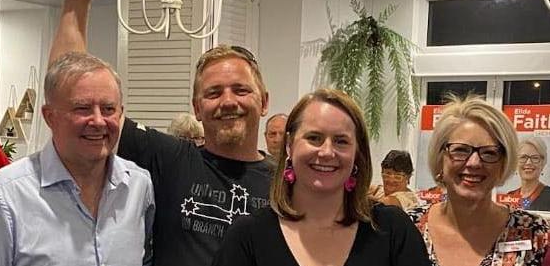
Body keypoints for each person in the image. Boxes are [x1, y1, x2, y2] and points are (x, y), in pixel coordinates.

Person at [50, 0, 272, 266]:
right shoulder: (170, 161)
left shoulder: (287, 182)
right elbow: (68, 90)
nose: (228, 101)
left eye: (241, 90)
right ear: (197, 108)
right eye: (213, 93)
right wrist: (77, 2)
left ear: (263, 102)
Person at [211, 89, 431, 266]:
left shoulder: (391, 230)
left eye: (341, 141)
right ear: (289, 145)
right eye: (314, 138)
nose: (327, 152)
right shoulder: (248, 236)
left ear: (357, 153)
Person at [0, 52, 155, 265]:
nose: (99, 121)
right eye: (83, 108)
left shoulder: (138, 187)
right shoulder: (4, 197)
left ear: (120, 114)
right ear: (49, 117)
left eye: (109, 109)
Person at [408, 95, 550, 266]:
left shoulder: (534, 232)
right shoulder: (407, 228)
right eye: (460, 150)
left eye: (489, 153)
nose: (474, 162)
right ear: (440, 159)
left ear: (504, 163)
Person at [506, 137, 550, 211]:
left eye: (535, 158)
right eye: (523, 157)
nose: (528, 162)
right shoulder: (509, 196)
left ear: (542, 163)